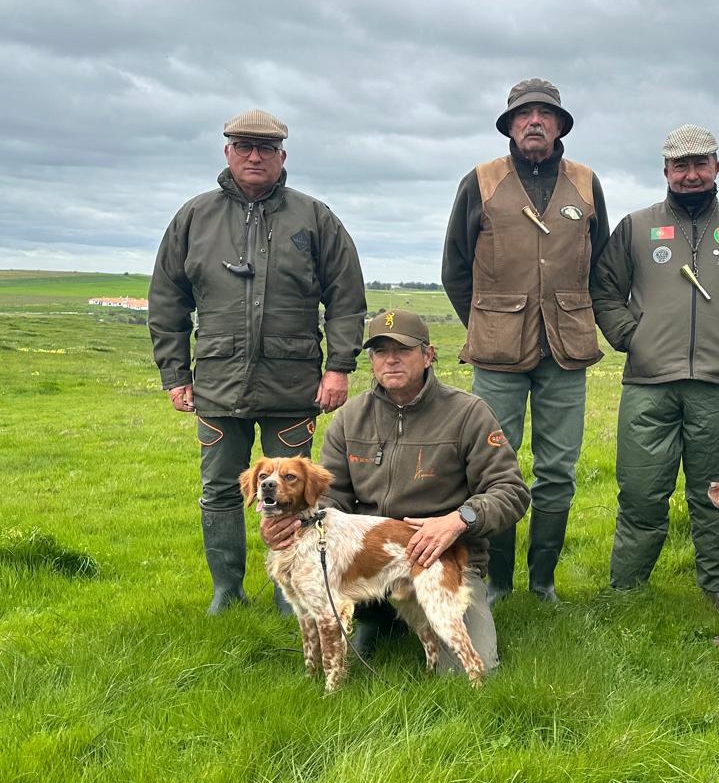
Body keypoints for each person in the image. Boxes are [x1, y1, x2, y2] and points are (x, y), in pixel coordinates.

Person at [149, 109, 367, 615]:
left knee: (300, 493)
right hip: (218, 387)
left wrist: (338, 367)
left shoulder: (314, 217)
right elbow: (166, 302)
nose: (254, 156)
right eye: (244, 146)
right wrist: (176, 375)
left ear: (282, 157)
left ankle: (289, 592)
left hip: (293, 386)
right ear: (227, 152)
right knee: (220, 488)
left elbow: (346, 297)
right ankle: (226, 591)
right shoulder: (194, 218)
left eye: (265, 149)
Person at [261, 309, 530, 671]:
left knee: (469, 668)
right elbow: (329, 498)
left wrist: (458, 520)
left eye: (402, 349)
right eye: (379, 351)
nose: (391, 359)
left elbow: (510, 490)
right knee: (348, 642)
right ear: (371, 361)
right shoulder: (349, 418)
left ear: (428, 354)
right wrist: (288, 524)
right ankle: (382, 624)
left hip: (442, 559)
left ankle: (412, 624)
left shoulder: (469, 413)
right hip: (365, 566)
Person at [591, 124, 719, 623]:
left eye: (701, 164)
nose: (692, 173)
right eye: (681, 165)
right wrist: (631, 338)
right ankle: (627, 587)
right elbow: (605, 289)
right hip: (648, 385)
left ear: (717, 168)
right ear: (666, 171)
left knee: (718, 496)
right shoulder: (636, 227)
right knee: (639, 492)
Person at [442, 78, 609, 605]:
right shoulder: (481, 180)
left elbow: (601, 266)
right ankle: (496, 583)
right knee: (495, 467)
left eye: (545, 114)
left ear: (560, 125)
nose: (534, 121)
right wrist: (486, 321)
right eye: (523, 114)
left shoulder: (585, 182)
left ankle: (543, 583)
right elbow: (455, 267)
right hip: (497, 353)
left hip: (567, 349)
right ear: (509, 125)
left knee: (558, 470)